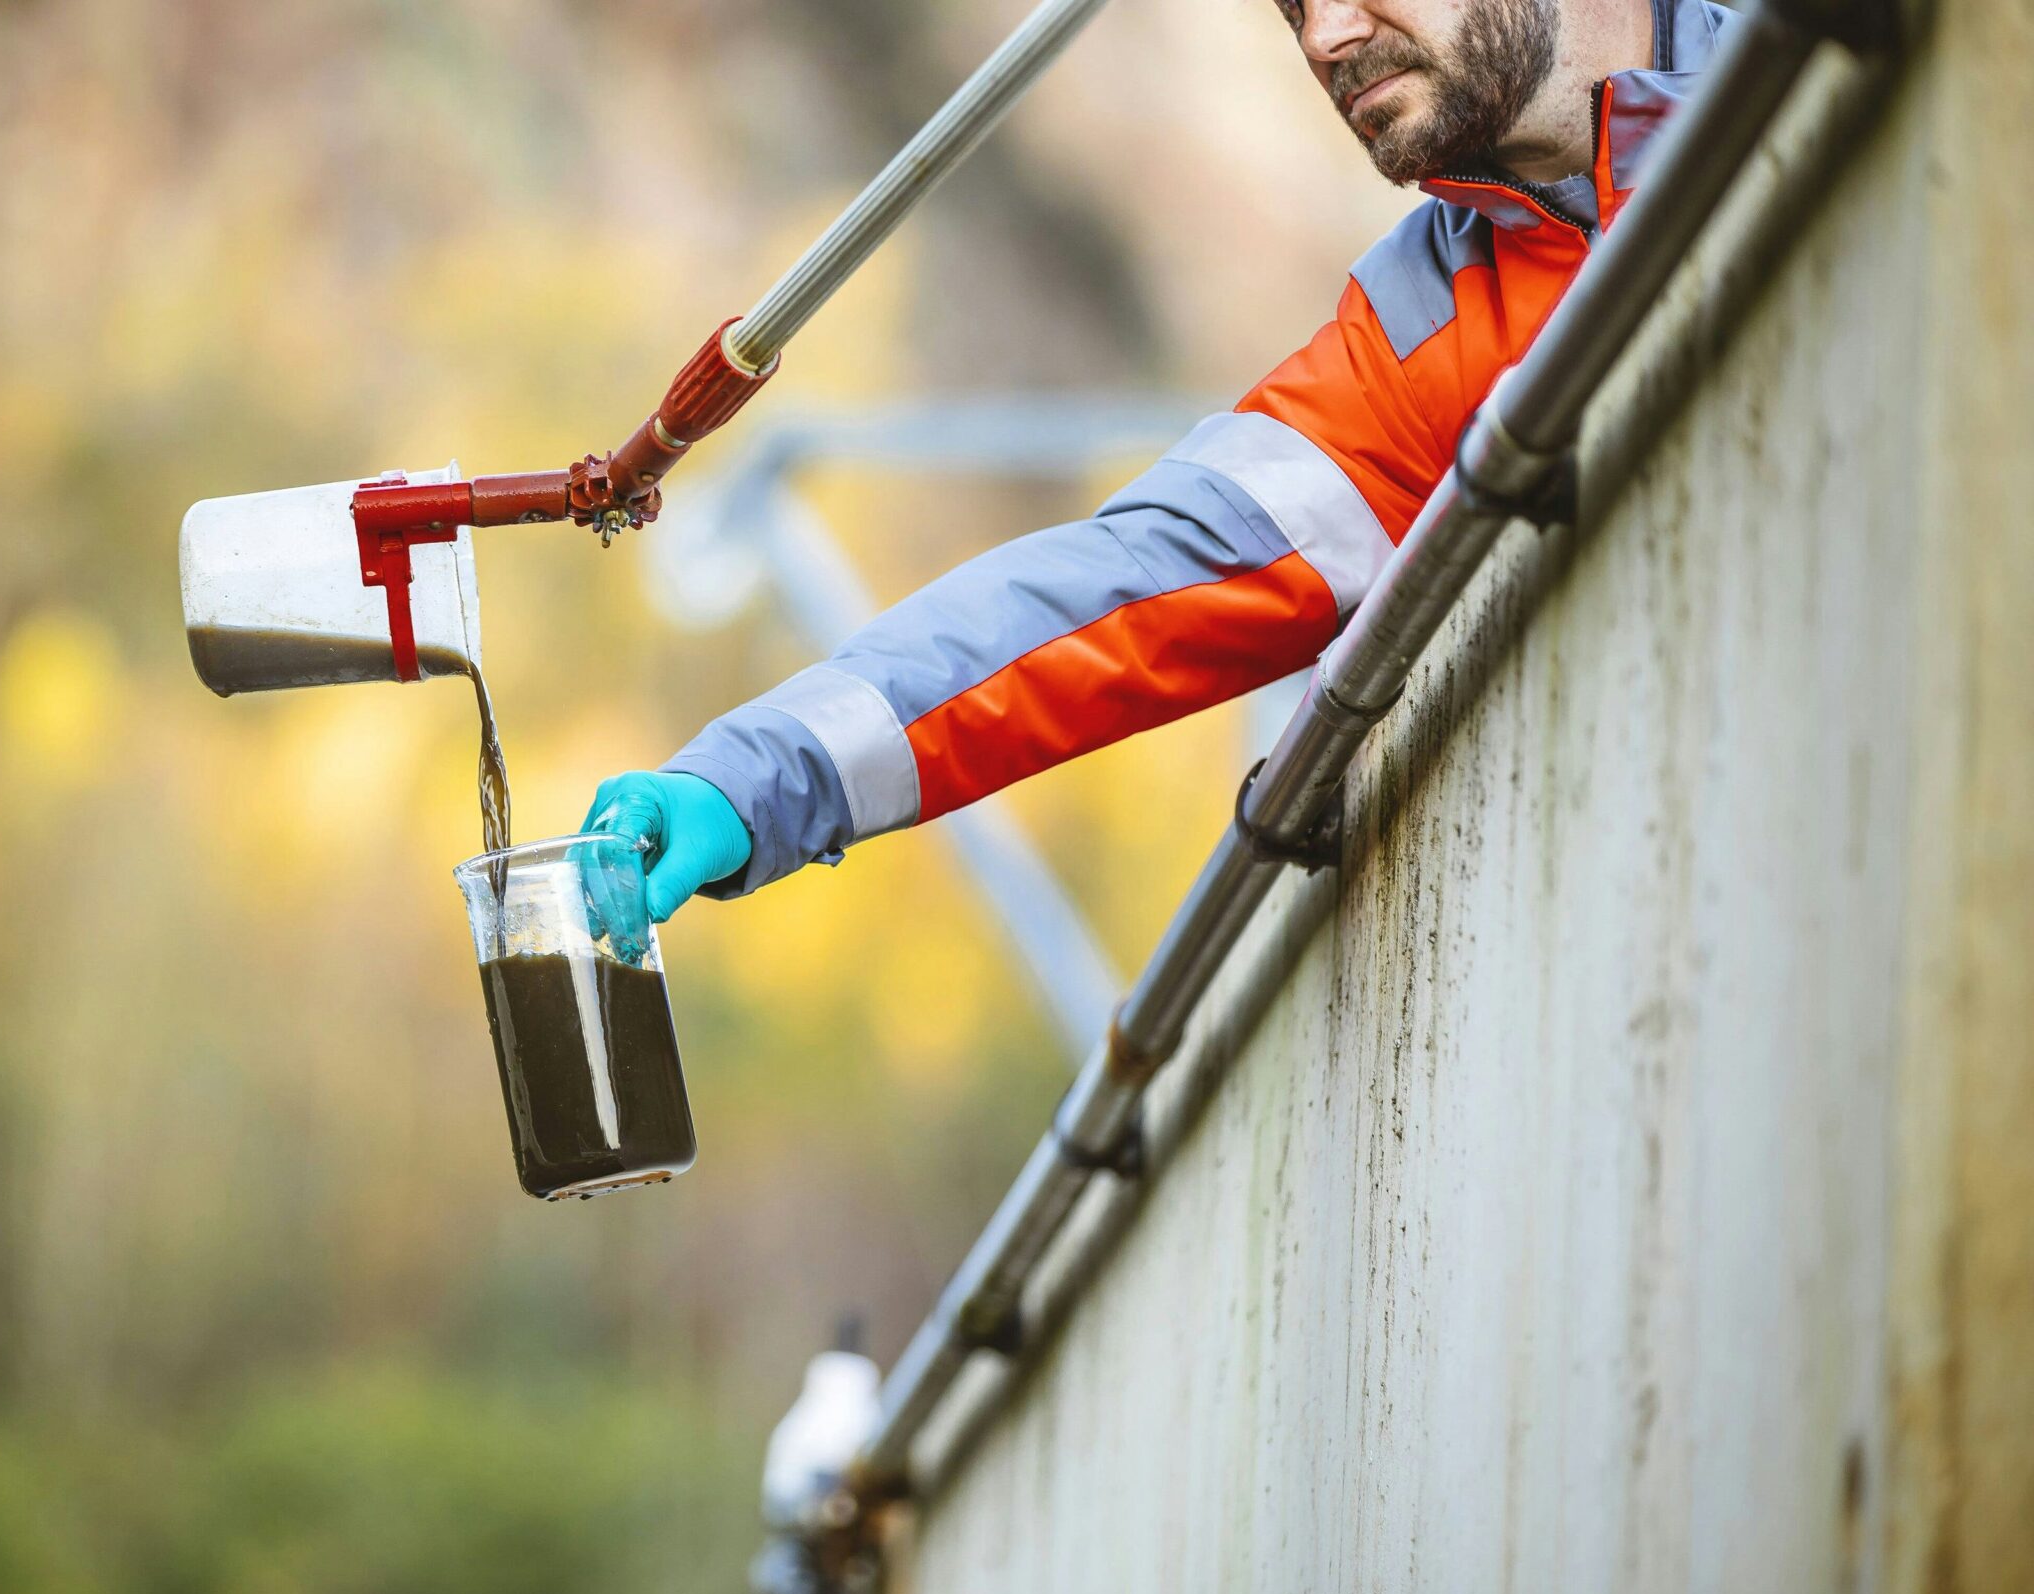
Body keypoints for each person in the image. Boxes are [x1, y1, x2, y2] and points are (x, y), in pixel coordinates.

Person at [586, 0, 1730, 920]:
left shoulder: (1857, 58)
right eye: (1289, 9)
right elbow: (1117, 589)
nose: (1326, 39)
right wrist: (753, 778)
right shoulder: (1423, 334)